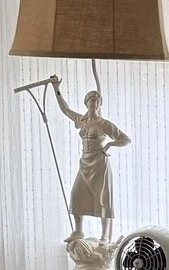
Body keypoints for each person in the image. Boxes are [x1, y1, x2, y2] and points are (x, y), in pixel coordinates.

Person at [50, 80, 129, 243]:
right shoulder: (82, 120)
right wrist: (56, 88)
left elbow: (125, 139)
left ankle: (105, 236)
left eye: (97, 101)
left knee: (103, 199)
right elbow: (65, 110)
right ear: (86, 103)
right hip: (85, 163)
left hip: (100, 164)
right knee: (76, 195)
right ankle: (78, 231)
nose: (95, 103)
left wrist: (109, 144)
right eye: (92, 100)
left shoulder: (104, 124)